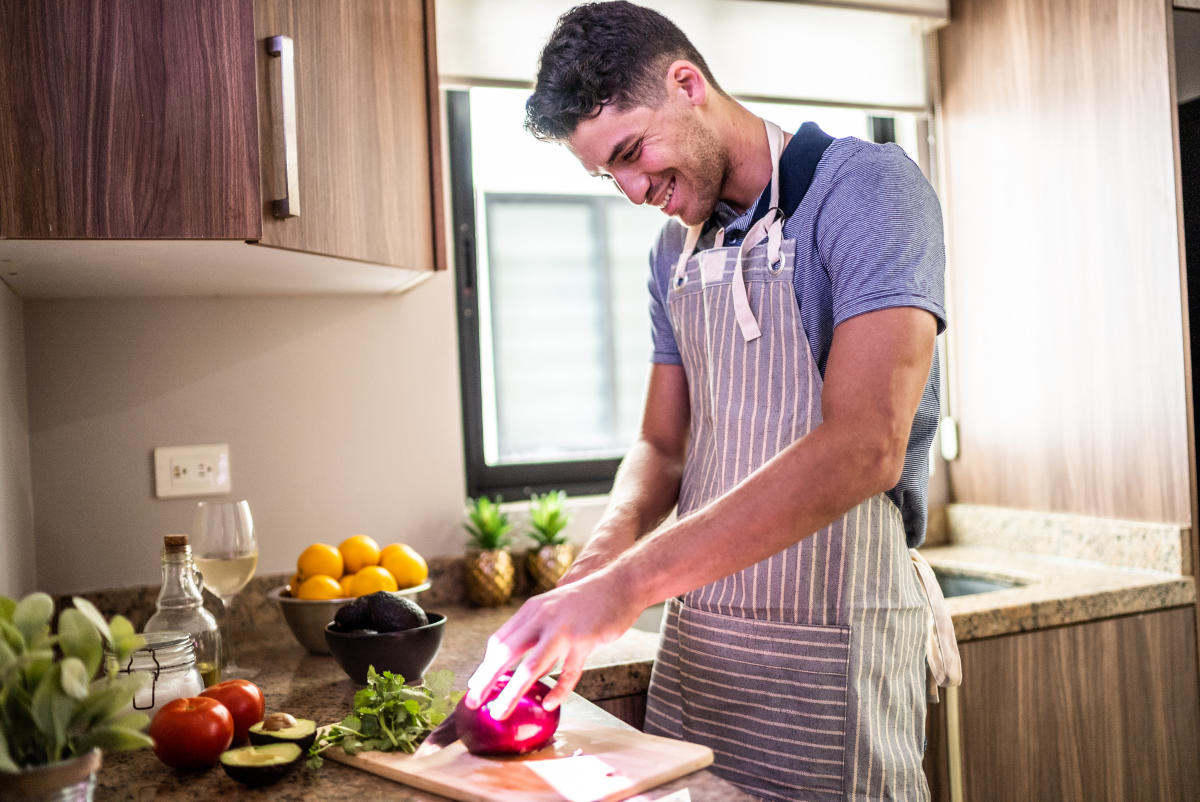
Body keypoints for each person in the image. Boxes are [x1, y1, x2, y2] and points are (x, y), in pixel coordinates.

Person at [466, 3, 949, 799]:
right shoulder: (674, 253)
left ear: (687, 84)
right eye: (606, 175)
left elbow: (866, 444)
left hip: (833, 649)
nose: (630, 190)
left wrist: (623, 588)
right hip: (705, 648)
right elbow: (663, 446)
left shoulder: (866, 190)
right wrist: (589, 574)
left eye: (631, 152)